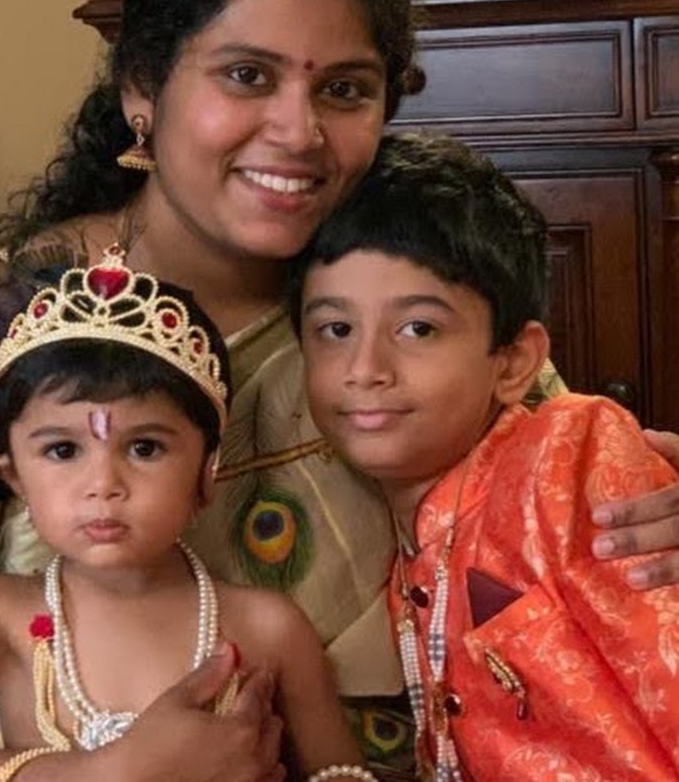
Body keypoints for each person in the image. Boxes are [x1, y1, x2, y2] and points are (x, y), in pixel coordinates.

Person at [0, 0, 679, 780]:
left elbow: (568, 514)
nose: (298, 132)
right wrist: (96, 776)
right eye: (247, 75)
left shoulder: (400, 287)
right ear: (142, 88)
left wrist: (651, 516)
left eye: (344, 89)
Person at [0, 252, 374, 782]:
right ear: (14, 477)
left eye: (144, 448)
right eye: (62, 450)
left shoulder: (268, 628)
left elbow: (340, 774)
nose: (103, 484)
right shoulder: (1, 616)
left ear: (206, 474)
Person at [289, 134, 679, 780]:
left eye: (418, 328)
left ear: (514, 362)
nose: (365, 368)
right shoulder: (405, 558)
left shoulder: (566, 455)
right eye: (336, 330)